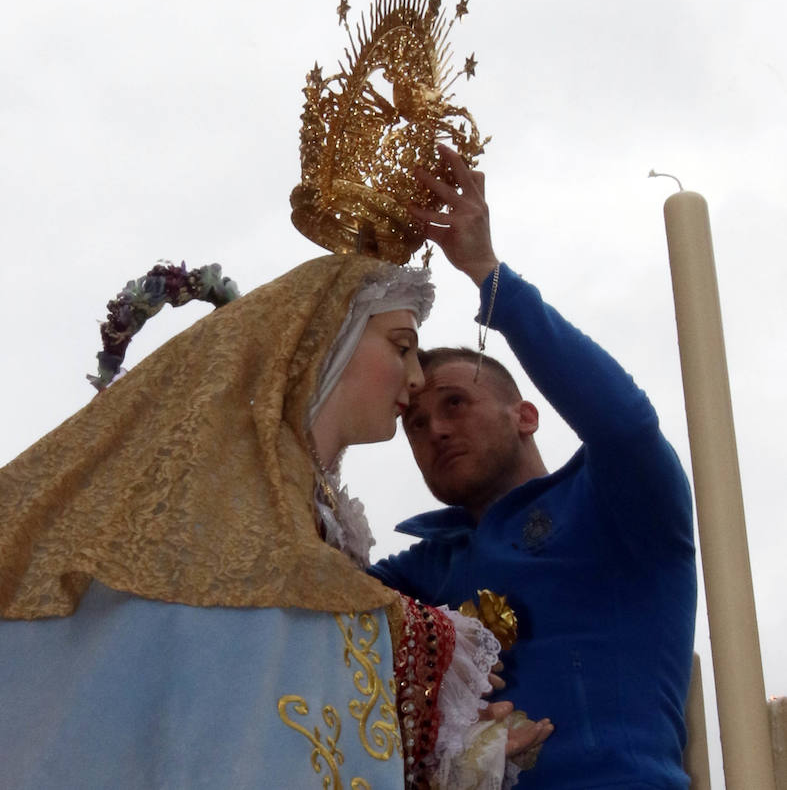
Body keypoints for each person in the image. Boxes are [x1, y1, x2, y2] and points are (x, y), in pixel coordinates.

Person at [0, 252, 550, 789]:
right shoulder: (220, 493)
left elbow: (295, 705)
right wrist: (430, 642)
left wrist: (455, 751)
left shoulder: (313, 515)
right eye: (401, 347)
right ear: (321, 343)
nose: (414, 379)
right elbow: (226, 673)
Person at [369, 147, 698, 789]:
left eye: (455, 404)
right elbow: (306, 590)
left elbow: (624, 421)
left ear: (525, 416)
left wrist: (488, 274)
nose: (433, 428)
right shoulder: (423, 569)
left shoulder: (614, 503)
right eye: (413, 421)